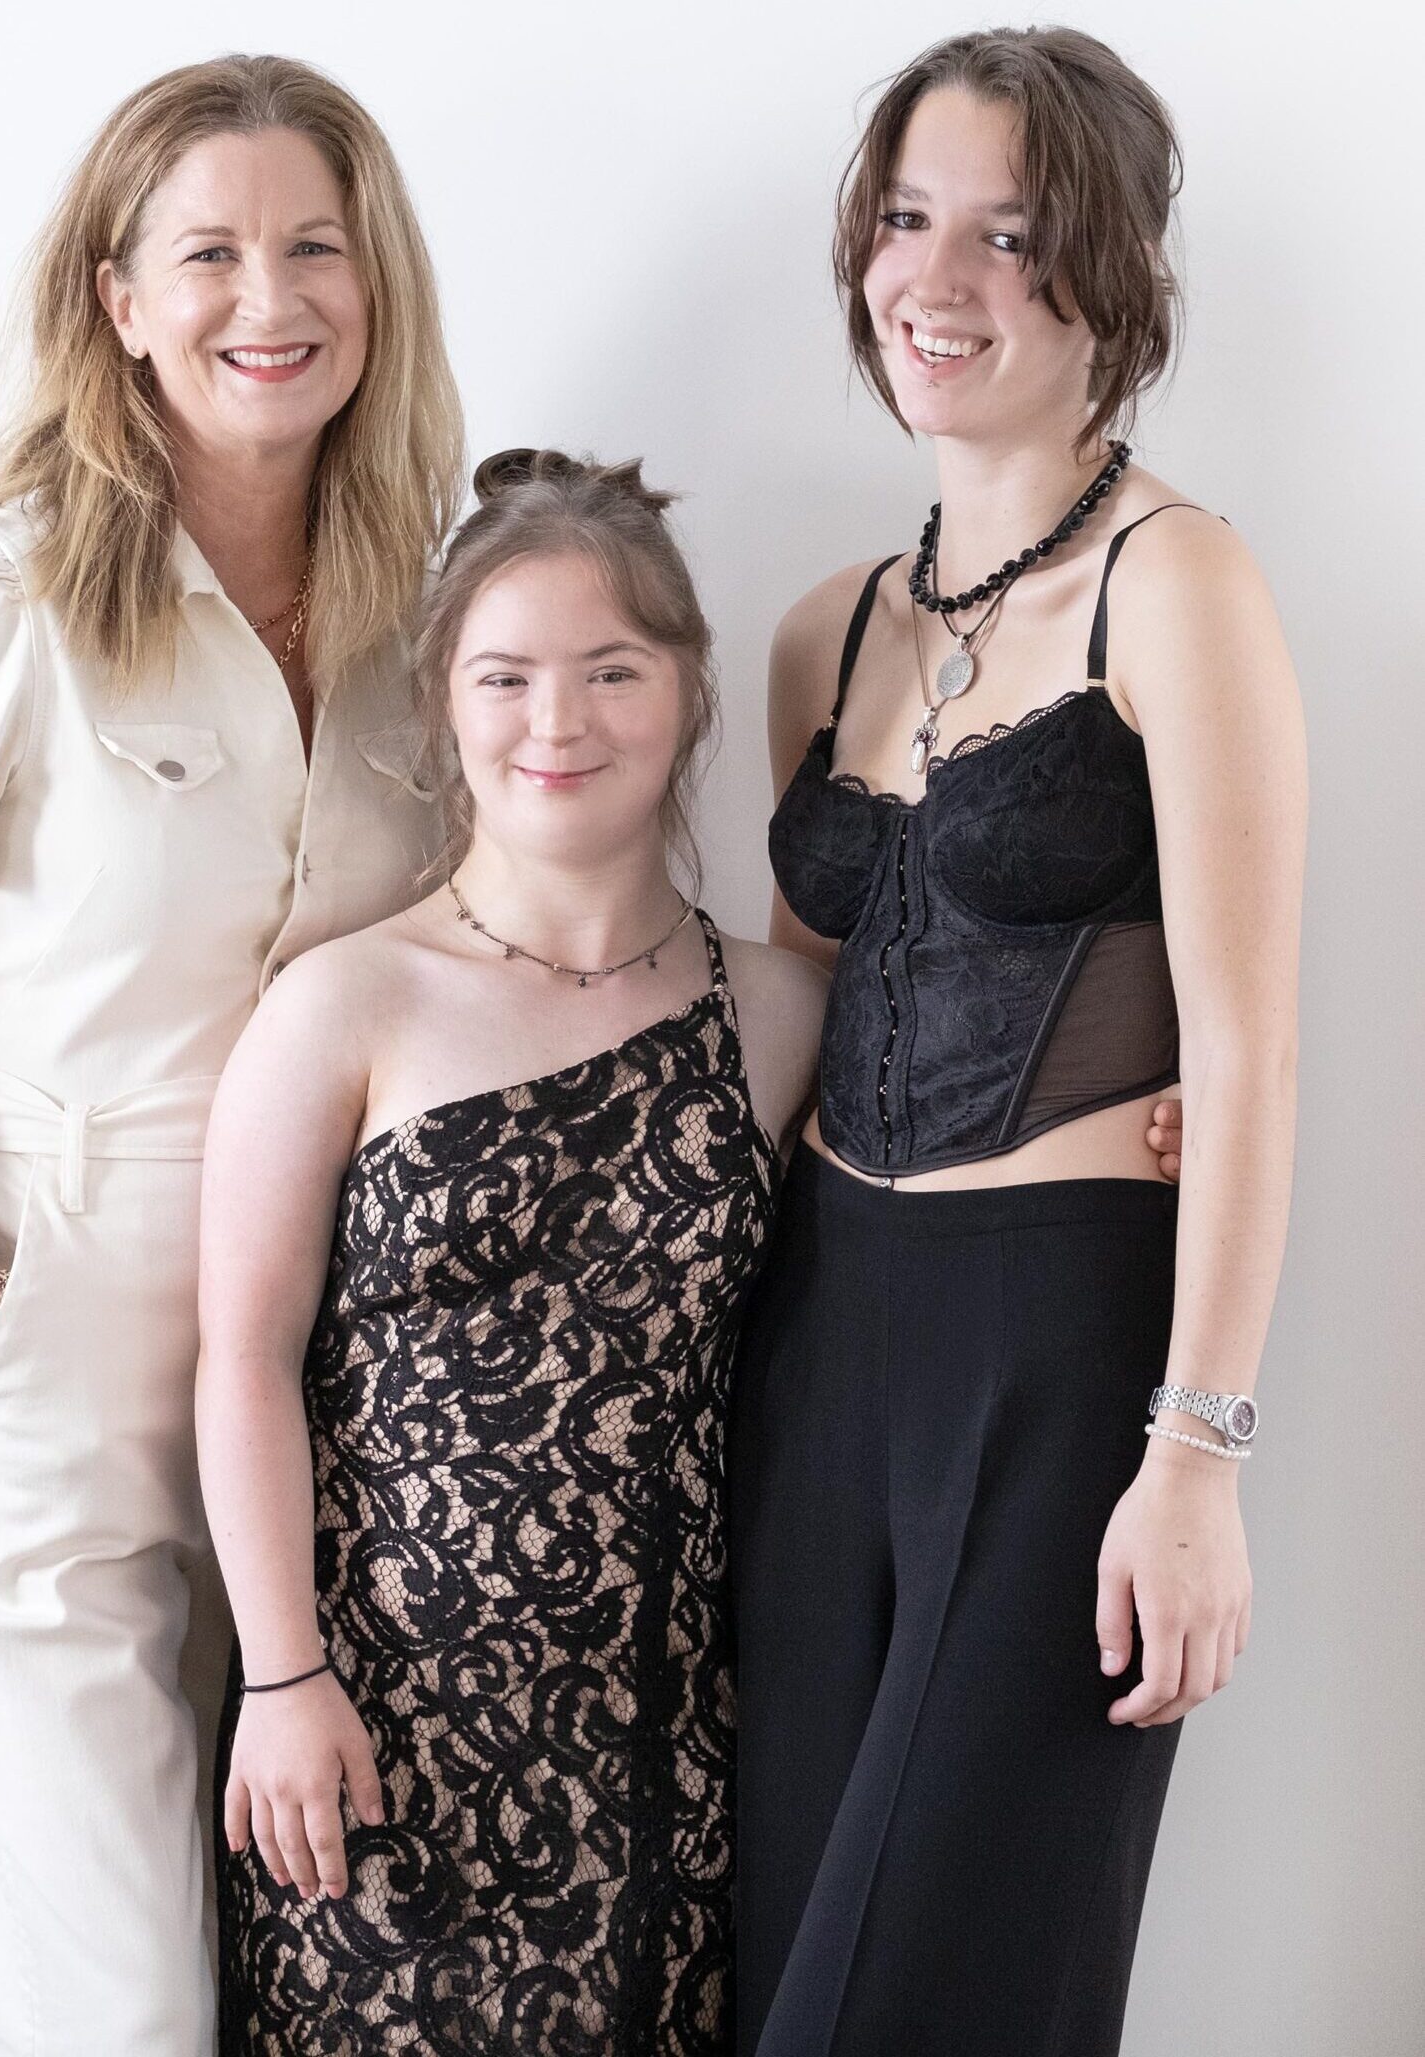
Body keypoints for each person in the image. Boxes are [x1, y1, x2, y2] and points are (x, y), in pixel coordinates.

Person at [0, 55, 462, 2056]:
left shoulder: (412, 609)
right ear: (121, 299)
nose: (270, 297)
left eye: (314, 247)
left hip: (334, 1354)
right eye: (210, 254)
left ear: (375, 284)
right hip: (53, 1318)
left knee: (300, 1963)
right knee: (103, 1993)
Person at [730, 28, 1305, 2057]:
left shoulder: (1176, 583)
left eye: (1006, 231)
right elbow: (795, 996)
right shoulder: (822, 631)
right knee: (778, 1966)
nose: (934, 276)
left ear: (1107, 276)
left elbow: (1248, 1051)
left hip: (1057, 1358)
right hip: (816, 1345)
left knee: (932, 1999)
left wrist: (1195, 1456)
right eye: (905, 218)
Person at [196, 451, 826, 2055]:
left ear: (685, 691)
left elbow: (948, 1158)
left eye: (613, 670)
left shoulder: (777, 1016)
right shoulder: (345, 1001)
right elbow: (243, 1356)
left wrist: (1146, 1110)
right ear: (444, 699)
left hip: (662, 1763)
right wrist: (281, 1676)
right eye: (507, 675)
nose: (560, 721)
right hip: (363, 1751)